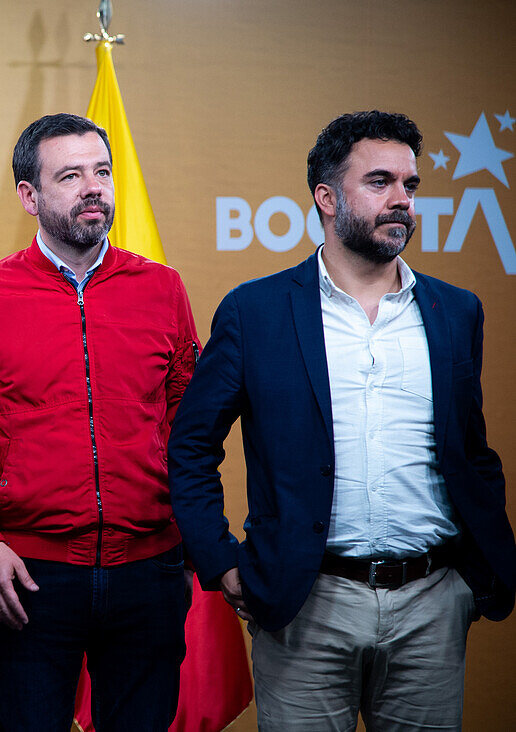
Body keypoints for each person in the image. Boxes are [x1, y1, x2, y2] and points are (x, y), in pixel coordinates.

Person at [168, 111, 516, 730]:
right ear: (326, 198)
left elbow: (472, 452)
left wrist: (475, 578)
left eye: (410, 185)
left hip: (433, 601)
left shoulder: (457, 311)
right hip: (305, 600)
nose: (401, 201)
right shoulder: (256, 312)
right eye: (379, 182)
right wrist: (221, 562)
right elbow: (191, 446)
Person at [0, 113, 199, 731]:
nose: (94, 187)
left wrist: (190, 541)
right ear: (29, 196)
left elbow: (191, 427)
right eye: (71, 175)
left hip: (148, 573)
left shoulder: (161, 288)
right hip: (29, 575)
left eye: (102, 172)